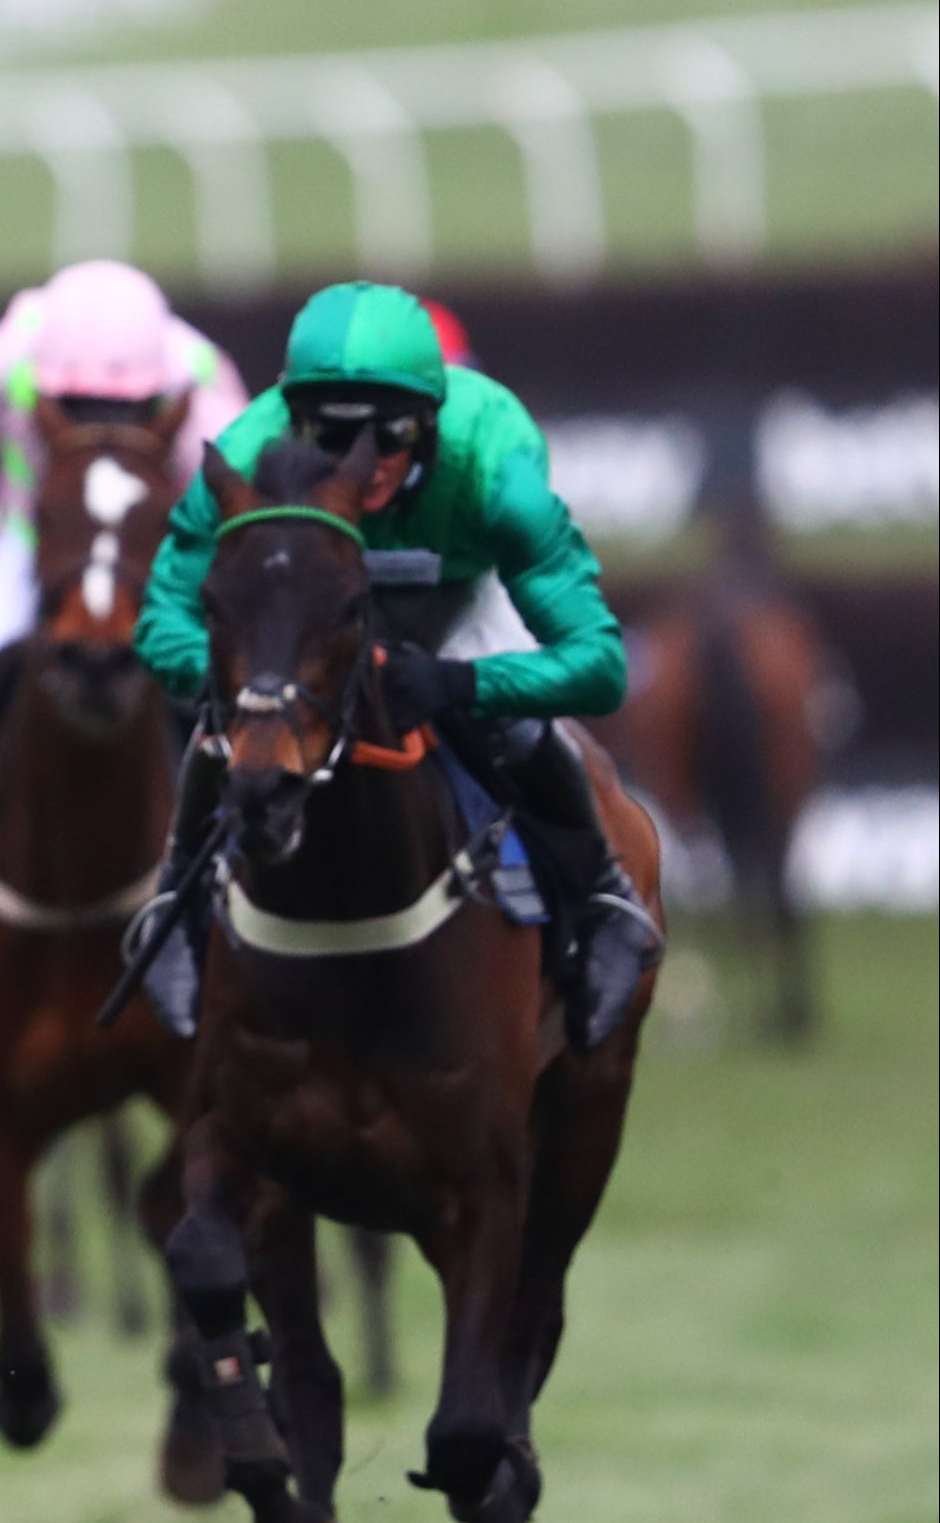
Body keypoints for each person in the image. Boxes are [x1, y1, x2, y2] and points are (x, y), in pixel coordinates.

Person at [127, 279, 663, 1048]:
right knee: (238, 729)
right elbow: (162, 625)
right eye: (333, 436)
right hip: (310, 606)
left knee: (516, 732)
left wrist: (460, 683)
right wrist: (248, 689)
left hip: (455, 599)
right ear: (295, 420)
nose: (365, 462)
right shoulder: (246, 456)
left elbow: (598, 666)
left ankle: (603, 900)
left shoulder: (496, 466)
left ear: (435, 422)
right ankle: (175, 906)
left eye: (393, 432)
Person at [0, 259, 248, 882]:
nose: (102, 422)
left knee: (211, 676)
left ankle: (230, 839)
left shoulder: (203, 386)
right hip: (35, 540)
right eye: (78, 406)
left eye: (126, 408)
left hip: (155, 547)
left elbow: (226, 515)